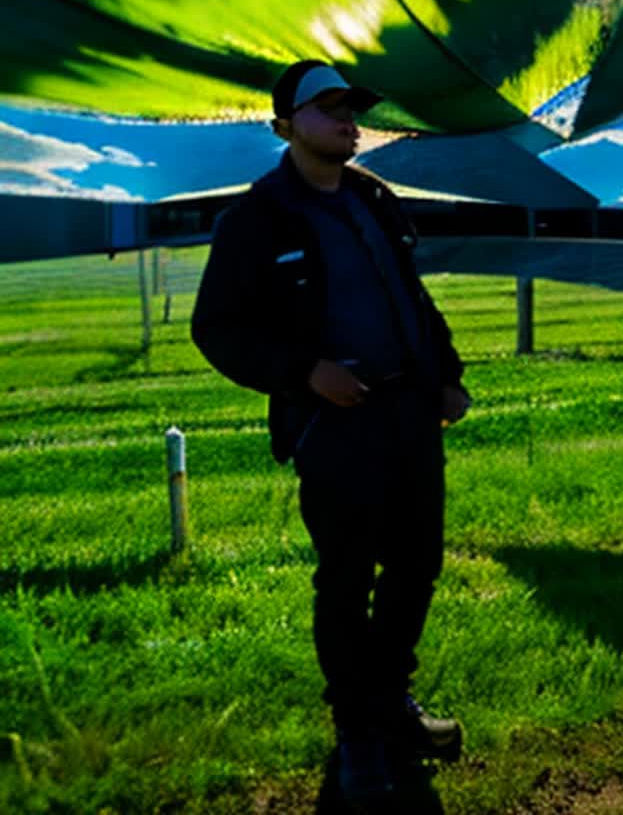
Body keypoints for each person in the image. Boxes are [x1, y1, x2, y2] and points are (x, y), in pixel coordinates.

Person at [191, 59, 471, 805]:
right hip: (336, 426)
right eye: (328, 108)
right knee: (347, 580)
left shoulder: (374, 198)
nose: (348, 120)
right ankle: (358, 730)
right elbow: (216, 328)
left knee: (417, 567)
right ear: (286, 127)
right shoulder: (257, 220)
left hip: (411, 417)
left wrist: (446, 372)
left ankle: (387, 704)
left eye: (351, 108)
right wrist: (304, 373)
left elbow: (410, 296)